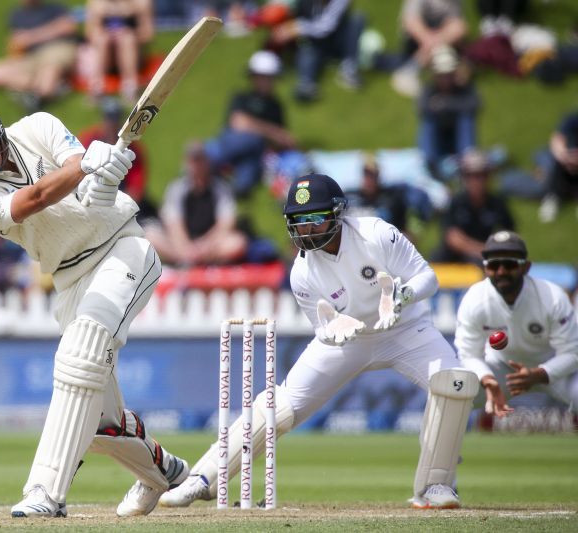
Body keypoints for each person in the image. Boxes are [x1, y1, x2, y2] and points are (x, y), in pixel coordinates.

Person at [160, 173, 478, 510]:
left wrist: (404, 294)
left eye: (314, 219)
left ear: (338, 213)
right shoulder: (301, 273)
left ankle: (436, 485)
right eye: (298, 221)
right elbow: (323, 327)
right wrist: (335, 327)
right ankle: (203, 478)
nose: (306, 229)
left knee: (455, 383)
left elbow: (426, 276)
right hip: (348, 340)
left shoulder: (376, 234)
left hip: (404, 329)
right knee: (280, 406)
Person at [0, 95, 188, 518]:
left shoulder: (38, 126)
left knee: (78, 356)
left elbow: (80, 168)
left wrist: (103, 177)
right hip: (70, 278)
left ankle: (45, 491)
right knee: (95, 422)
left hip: (123, 248)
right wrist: (88, 166)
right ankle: (163, 472)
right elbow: (33, 200)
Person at [455, 231, 578, 419]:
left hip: (552, 369)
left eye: (510, 264)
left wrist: (541, 373)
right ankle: (440, 450)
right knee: (452, 392)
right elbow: (468, 354)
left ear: (526, 267)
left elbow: (572, 352)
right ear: (486, 268)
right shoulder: (474, 299)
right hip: (501, 370)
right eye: (494, 265)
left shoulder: (552, 297)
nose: (501, 271)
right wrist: (487, 379)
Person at [204, 49, 296, 198]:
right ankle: (206, 162)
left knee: (244, 185)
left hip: (256, 154)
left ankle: (223, 185)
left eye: (269, 78)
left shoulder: (276, 105)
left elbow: (283, 139)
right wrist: (269, 132)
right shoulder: (241, 97)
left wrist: (267, 133)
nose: (266, 82)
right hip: (234, 142)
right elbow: (238, 123)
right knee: (253, 139)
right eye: (262, 77)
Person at [145, 141, 247, 267]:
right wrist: (187, 247)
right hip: (181, 243)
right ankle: (186, 259)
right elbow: (174, 225)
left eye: (200, 160)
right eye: (193, 161)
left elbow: (226, 224)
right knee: (150, 235)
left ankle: (193, 261)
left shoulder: (220, 188)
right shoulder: (177, 188)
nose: (197, 166)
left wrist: (204, 246)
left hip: (211, 244)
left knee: (238, 242)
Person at [0, 0, 79, 111]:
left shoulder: (55, 8)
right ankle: (48, 87)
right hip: (31, 57)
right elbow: (15, 42)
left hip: (55, 49)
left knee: (48, 76)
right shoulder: (16, 15)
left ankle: (41, 91)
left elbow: (68, 27)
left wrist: (32, 37)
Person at [269, 0, 365, 102]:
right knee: (307, 49)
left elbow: (325, 27)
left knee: (357, 19)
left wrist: (296, 28)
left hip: (340, 42)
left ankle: (349, 69)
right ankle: (306, 85)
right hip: (317, 45)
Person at [431, 149, 515, 265]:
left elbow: (509, 235)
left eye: (483, 175)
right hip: (454, 256)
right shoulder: (456, 202)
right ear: (464, 177)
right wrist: (486, 251)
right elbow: (453, 238)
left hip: (482, 258)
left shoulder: (497, 204)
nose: (478, 181)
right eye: (472, 175)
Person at [417, 44, 479, 179]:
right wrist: (453, 105)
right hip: (437, 142)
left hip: (459, 140)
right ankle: (429, 164)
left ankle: (467, 164)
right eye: (442, 75)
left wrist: (444, 104)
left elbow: (475, 105)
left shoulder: (465, 89)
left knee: (466, 119)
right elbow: (422, 108)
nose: (445, 79)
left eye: (448, 74)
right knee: (429, 121)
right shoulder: (429, 90)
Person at [391, 0, 467, 98]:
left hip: (440, 37)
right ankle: (413, 69)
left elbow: (455, 23)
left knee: (459, 28)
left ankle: (413, 70)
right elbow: (410, 21)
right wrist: (430, 40)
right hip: (416, 40)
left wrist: (436, 39)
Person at [84, 0, 154, 103]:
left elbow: (148, 35)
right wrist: (109, 35)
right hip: (108, 55)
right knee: (102, 39)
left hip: (132, 53)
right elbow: (90, 34)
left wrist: (131, 33)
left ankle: (130, 87)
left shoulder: (141, 3)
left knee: (127, 39)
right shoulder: (97, 3)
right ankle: (96, 87)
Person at [538, 110, 578, 223]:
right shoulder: (572, 119)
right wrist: (564, 156)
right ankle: (553, 197)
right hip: (566, 161)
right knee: (554, 163)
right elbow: (557, 139)